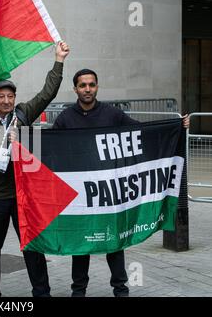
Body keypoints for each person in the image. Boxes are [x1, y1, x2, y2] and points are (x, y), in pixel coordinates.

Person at [52, 68, 189, 297]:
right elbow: (51, 149)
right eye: (83, 85)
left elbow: (141, 132)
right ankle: (79, 291)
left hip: (110, 194)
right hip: (81, 197)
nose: (87, 89)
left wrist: (175, 127)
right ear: (75, 88)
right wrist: (22, 141)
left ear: (97, 86)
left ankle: (120, 289)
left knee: (114, 242)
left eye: (92, 84)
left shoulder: (112, 114)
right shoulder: (66, 118)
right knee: (80, 244)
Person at [0, 41, 70, 297]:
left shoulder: (24, 114)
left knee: (33, 247)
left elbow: (48, 93)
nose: (6, 100)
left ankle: (42, 292)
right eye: (1, 96)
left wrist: (58, 60)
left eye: (10, 96)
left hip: (24, 197)